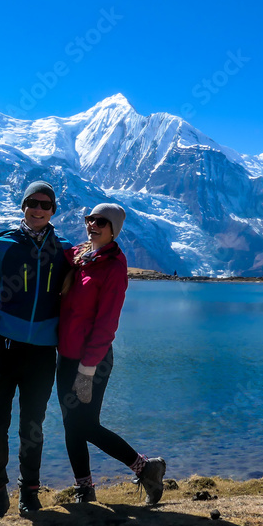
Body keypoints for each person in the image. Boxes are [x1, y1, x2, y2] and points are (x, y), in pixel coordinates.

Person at [0, 181, 71, 522]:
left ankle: (29, 494)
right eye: (32, 203)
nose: (38, 209)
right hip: (4, 348)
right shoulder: (2, 246)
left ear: (53, 210)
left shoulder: (65, 252)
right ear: (23, 206)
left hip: (42, 353)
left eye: (45, 204)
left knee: (33, 426)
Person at [56, 203, 167, 505]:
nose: (93, 225)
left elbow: (106, 326)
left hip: (93, 361)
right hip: (66, 356)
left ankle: (146, 468)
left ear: (113, 230)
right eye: (90, 219)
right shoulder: (81, 257)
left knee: (86, 425)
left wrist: (87, 370)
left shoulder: (114, 267)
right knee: (71, 424)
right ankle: (85, 489)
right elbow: (58, 251)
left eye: (101, 222)